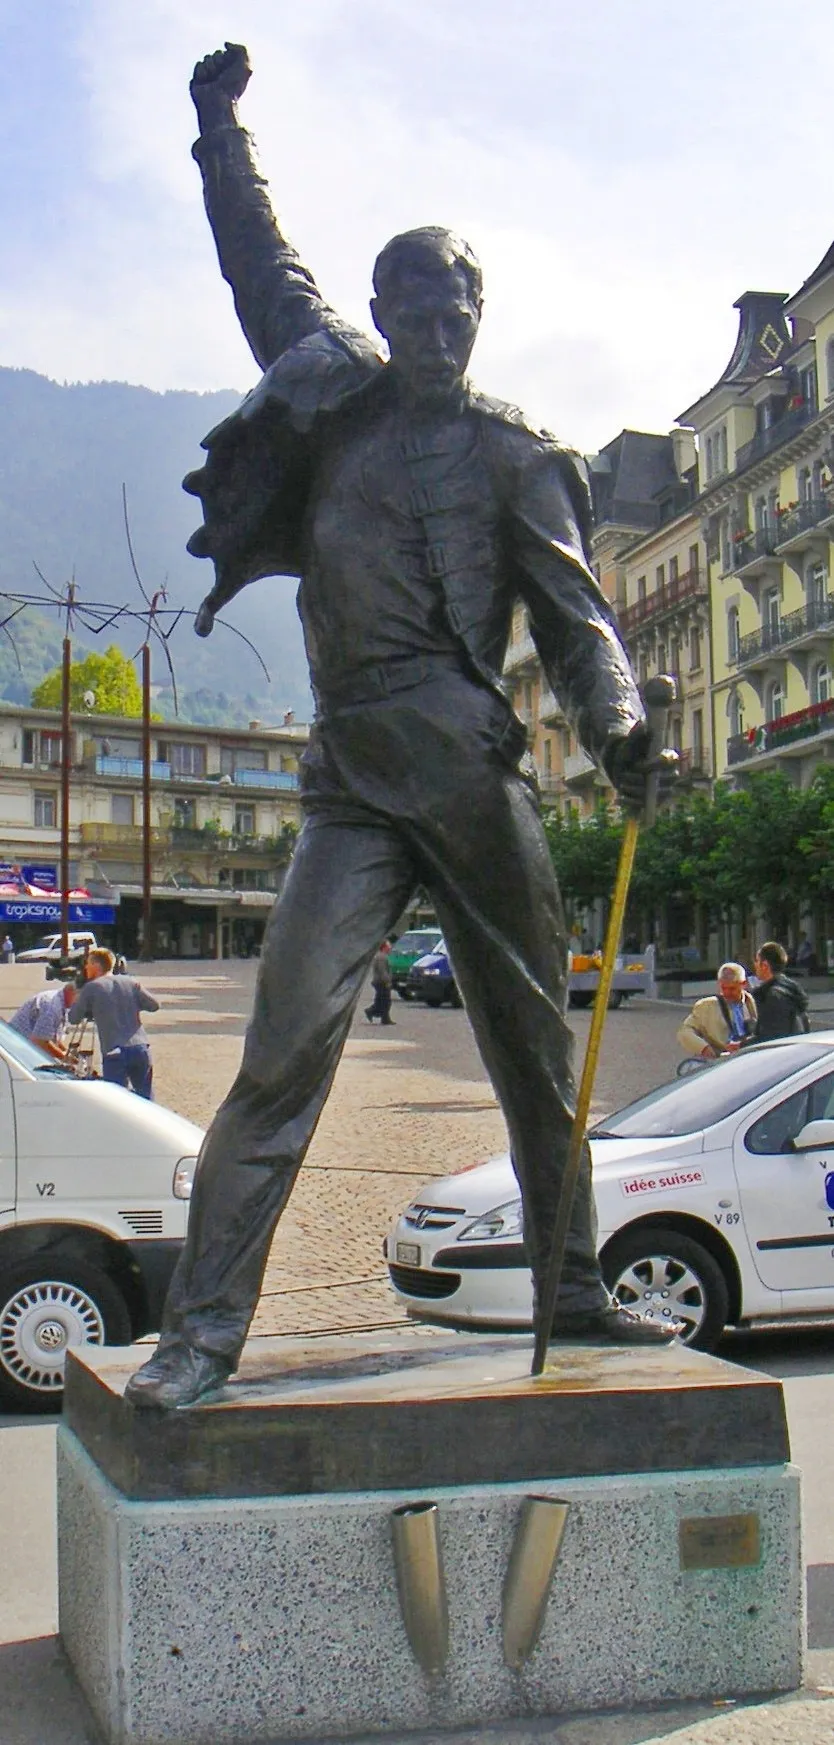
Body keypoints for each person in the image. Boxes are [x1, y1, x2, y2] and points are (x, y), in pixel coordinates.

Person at [125, 42, 679, 1412]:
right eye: (418, 308)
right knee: (281, 1054)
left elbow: (579, 622)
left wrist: (618, 732)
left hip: (475, 775)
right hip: (351, 781)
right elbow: (255, 256)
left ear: (479, 317)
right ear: (381, 309)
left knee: (533, 1051)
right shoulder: (329, 394)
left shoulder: (518, 453)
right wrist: (218, 131)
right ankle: (202, 1335)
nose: (440, 329)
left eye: (459, 310)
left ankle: (568, 1284)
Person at [67, 948, 160, 1097]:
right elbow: (154, 1005)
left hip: (115, 1051)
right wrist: (130, 1004)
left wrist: (81, 998)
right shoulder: (131, 982)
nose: (85, 967)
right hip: (140, 1047)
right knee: (146, 1097)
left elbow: (73, 1018)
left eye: (88, 964)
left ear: (96, 966)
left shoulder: (92, 987)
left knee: (117, 1099)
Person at [677, 964, 756, 1060]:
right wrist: (704, 1048)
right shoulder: (706, 1007)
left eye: (732, 989)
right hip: (721, 1059)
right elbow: (685, 1031)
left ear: (743, 984)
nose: (727, 993)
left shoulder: (756, 1003)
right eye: (723, 988)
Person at [752, 941, 810, 1041]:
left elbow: (770, 1037)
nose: (755, 965)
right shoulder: (793, 991)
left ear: (765, 965)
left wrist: (741, 1046)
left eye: (757, 961)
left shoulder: (772, 996)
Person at [9, 981, 76, 1044]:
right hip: (15, 1046)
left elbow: (53, 1039)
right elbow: (40, 1042)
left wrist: (65, 1052)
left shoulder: (64, 1005)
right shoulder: (51, 1006)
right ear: (71, 992)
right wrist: (63, 1055)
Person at [365, 941, 394, 1025]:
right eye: (388, 946)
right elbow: (382, 971)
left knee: (383, 1001)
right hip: (381, 982)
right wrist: (387, 981)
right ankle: (371, 1011)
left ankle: (385, 1018)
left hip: (380, 981)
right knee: (384, 1001)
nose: (390, 947)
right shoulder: (381, 957)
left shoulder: (383, 956)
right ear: (384, 947)